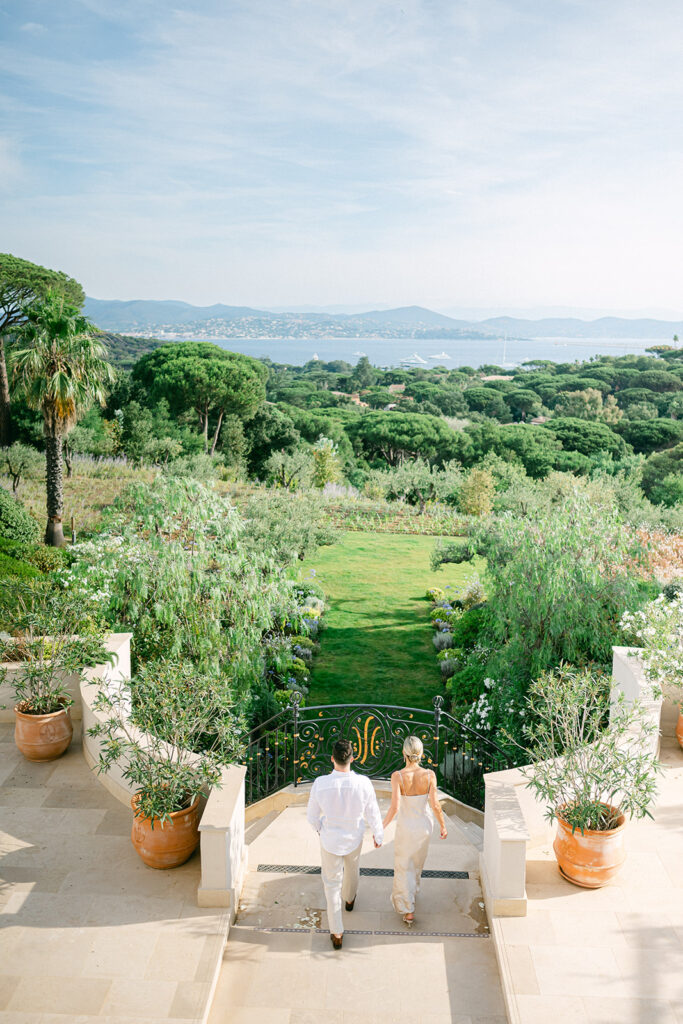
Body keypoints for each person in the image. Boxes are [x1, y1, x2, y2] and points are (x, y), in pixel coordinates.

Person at [306, 738, 383, 950]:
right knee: (352, 870)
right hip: (354, 838)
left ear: (332, 759)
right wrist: (378, 834)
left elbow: (311, 817)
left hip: (330, 840)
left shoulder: (320, 783)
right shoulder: (364, 783)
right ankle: (349, 899)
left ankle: (337, 932)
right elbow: (373, 812)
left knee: (331, 884)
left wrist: (321, 828)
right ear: (353, 758)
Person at [382, 735, 448, 926]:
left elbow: (394, 808)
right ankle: (412, 893)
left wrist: (381, 827)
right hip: (424, 826)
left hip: (407, 827)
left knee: (404, 866)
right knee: (417, 863)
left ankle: (408, 909)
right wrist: (442, 825)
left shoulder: (398, 776)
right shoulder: (429, 775)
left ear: (404, 753)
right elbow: (435, 804)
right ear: (421, 754)